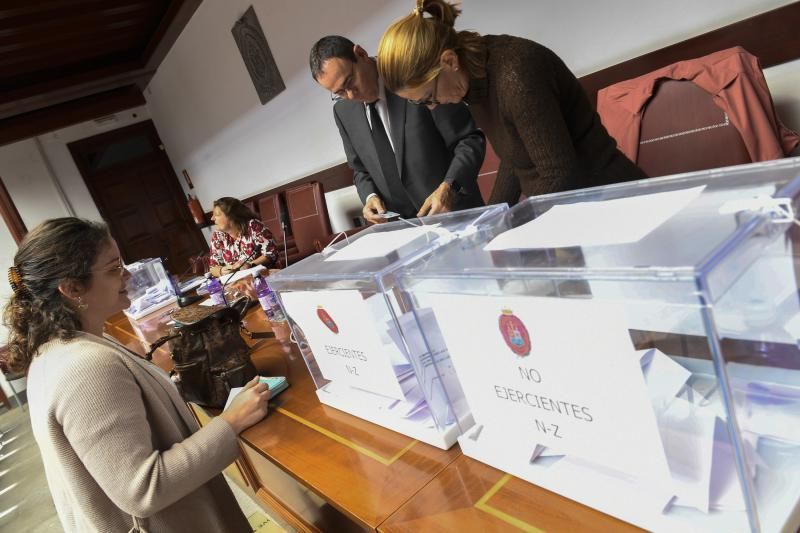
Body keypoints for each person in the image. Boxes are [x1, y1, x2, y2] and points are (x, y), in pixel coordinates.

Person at [3, 217, 269, 532]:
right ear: (72, 288)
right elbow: (142, 488)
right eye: (114, 268)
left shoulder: (57, 349)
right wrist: (232, 421)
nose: (127, 275)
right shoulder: (85, 367)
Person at [377, 0, 648, 206]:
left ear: (448, 61)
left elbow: (560, 174)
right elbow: (515, 157)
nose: (433, 107)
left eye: (428, 98)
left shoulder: (515, 72)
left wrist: (516, 229)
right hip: (571, 206)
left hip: (614, 199)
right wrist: (492, 220)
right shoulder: (474, 82)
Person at [309, 35, 486, 223]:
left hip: (458, 215)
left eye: (350, 81)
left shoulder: (412, 74)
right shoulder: (343, 112)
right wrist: (370, 197)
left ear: (361, 54)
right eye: (339, 93)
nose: (351, 95)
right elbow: (360, 170)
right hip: (403, 231)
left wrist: (451, 187)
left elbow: (468, 140)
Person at [209, 197, 278, 277]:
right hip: (236, 284)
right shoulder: (218, 235)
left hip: (263, 278)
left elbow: (271, 253)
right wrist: (221, 271)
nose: (212, 218)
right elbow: (213, 267)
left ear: (231, 216)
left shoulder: (253, 226)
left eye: (216, 215)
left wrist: (250, 265)